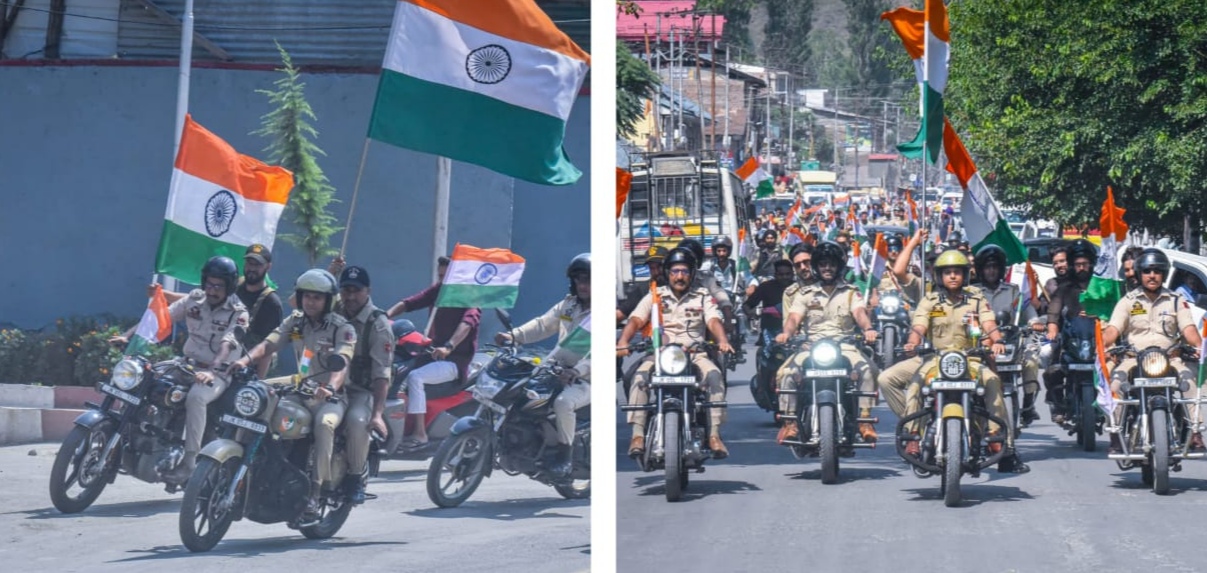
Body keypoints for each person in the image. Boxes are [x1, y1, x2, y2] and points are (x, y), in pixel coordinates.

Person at [878, 249, 1029, 473]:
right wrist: (912, 342)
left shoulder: (976, 298)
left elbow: (988, 323)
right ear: (939, 276)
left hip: (969, 359)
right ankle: (913, 434)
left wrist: (997, 341)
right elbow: (918, 326)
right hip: (933, 359)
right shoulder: (929, 300)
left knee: (993, 382)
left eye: (957, 272)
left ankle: (1000, 442)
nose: (953, 276)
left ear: (965, 275)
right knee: (892, 380)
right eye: (947, 272)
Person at [229, 269, 354, 520]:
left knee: (324, 424)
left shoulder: (342, 328)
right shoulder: (296, 322)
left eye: (317, 298)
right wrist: (244, 361)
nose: (310, 302)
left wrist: (329, 387)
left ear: (328, 301)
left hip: (329, 394)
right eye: (307, 296)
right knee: (254, 395)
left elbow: (343, 359)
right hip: (300, 384)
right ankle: (241, 463)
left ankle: (315, 492)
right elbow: (270, 343)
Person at [111, 257, 248, 483]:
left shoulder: (238, 313)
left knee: (196, 398)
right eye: (210, 284)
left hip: (218, 373)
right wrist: (127, 336)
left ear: (230, 286)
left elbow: (228, 343)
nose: (213, 291)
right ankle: (127, 434)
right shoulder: (195, 299)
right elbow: (159, 317)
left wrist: (212, 371)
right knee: (142, 377)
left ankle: (189, 463)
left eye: (219, 286)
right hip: (186, 364)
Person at [617, 248, 735, 459]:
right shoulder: (655, 297)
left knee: (715, 376)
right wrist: (624, 341)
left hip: (695, 354)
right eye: (674, 272)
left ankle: (715, 435)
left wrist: (723, 340)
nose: (679, 276)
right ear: (667, 274)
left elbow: (713, 320)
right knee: (638, 378)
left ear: (691, 274)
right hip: (660, 355)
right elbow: (636, 319)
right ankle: (637, 436)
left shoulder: (702, 296)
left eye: (684, 271)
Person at [774, 241, 880, 443]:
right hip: (812, 346)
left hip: (845, 345)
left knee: (868, 370)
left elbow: (859, 313)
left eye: (831, 264)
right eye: (822, 264)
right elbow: (794, 318)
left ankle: (864, 420)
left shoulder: (850, 292)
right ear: (817, 267)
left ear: (839, 266)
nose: (827, 268)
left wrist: (868, 329)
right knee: (786, 373)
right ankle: (790, 422)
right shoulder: (805, 294)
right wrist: (786, 333)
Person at [497, 254, 591, 478]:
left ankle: (564, 455)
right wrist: (513, 336)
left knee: (563, 403)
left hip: (586, 378)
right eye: (579, 280)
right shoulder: (568, 306)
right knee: (519, 391)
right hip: (555, 369)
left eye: (588, 280)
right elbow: (542, 325)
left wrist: (579, 370)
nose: (583, 285)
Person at [1102, 248, 1204, 452]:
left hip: (1170, 359)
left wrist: (1200, 347)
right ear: (1140, 274)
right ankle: (1115, 431)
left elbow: (1188, 328)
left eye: (1157, 271)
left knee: (1191, 383)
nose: (1152, 276)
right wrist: (1104, 344)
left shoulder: (1176, 301)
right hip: (1135, 359)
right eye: (1147, 271)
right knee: (1114, 386)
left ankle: (1195, 431)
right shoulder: (1128, 302)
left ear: (1163, 275)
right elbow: (1114, 328)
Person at [385, 256, 481, 449]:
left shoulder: (470, 297)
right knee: (398, 369)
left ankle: (419, 433)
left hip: (455, 361)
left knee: (415, 377)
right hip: (434, 355)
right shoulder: (439, 291)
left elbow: (467, 324)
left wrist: (449, 346)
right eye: (440, 276)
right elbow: (410, 302)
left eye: (446, 277)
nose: (442, 280)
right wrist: (382, 317)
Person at [331, 265, 392, 505]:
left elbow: (382, 374)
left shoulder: (378, 324)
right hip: (328, 386)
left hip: (360, 391)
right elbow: (300, 301)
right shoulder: (334, 309)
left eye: (356, 290)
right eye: (345, 290)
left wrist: (377, 414)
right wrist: (329, 272)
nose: (350, 296)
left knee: (357, 421)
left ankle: (356, 476)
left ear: (368, 291)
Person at [972, 245, 1043, 427]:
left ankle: (1028, 404)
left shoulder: (1013, 291)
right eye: (988, 267)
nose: (991, 270)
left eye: (995, 266)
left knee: (1031, 361)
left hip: (1011, 343)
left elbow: (1026, 309)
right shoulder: (972, 292)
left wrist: (1033, 322)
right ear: (981, 269)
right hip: (981, 344)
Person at [1044, 239, 1097, 423]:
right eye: (1077, 264)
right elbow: (1054, 310)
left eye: (1084, 264)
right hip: (1071, 338)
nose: (1081, 268)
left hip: (1097, 338)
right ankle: (1058, 403)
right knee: (1053, 365)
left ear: (1091, 264)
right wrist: (1052, 328)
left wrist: (1098, 314)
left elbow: (1113, 310)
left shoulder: (1100, 286)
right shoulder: (1064, 288)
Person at [744, 259, 795, 339]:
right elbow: (747, 305)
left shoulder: (798, 288)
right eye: (781, 275)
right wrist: (752, 314)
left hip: (794, 332)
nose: (785, 277)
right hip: (770, 332)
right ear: (775, 275)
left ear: (792, 274)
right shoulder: (766, 287)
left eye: (787, 274)